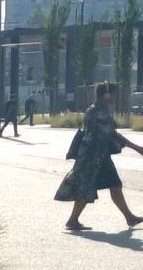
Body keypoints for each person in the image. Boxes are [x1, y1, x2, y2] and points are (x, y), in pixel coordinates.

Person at [58, 82, 142, 232]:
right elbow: (111, 134)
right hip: (93, 156)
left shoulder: (96, 109)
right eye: (113, 94)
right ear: (107, 95)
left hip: (97, 155)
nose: (115, 97)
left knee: (110, 185)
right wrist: (136, 148)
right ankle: (73, 220)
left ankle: (129, 217)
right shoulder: (99, 111)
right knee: (90, 187)